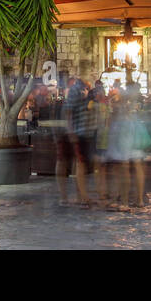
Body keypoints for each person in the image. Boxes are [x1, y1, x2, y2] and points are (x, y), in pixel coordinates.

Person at [57, 78, 95, 206]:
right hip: (74, 132)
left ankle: (78, 196)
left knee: (76, 163)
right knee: (73, 163)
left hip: (78, 132)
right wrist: (71, 131)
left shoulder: (82, 90)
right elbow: (68, 111)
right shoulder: (76, 89)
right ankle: (73, 197)